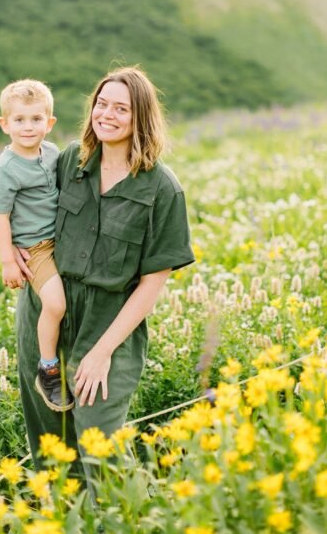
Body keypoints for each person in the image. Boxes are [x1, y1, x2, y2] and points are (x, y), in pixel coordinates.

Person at [13, 67, 195, 492]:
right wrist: (19, 252)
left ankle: (129, 529)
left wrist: (101, 352)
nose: (106, 115)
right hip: (46, 313)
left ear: (141, 118)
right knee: (49, 443)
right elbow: (23, 207)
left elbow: (151, 284)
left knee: (99, 442)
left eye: (121, 108)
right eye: (101, 104)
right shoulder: (69, 161)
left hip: (110, 323)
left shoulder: (163, 189)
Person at [0, 79, 73, 412]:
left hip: (61, 238)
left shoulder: (50, 152)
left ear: (49, 124)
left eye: (36, 119)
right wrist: (8, 261)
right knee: (55, 304)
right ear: (4, 124)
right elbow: (0, 216)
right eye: (19, 120)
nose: (28, 127)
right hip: (34, 249)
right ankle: (48, 369)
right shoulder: (6, 170)